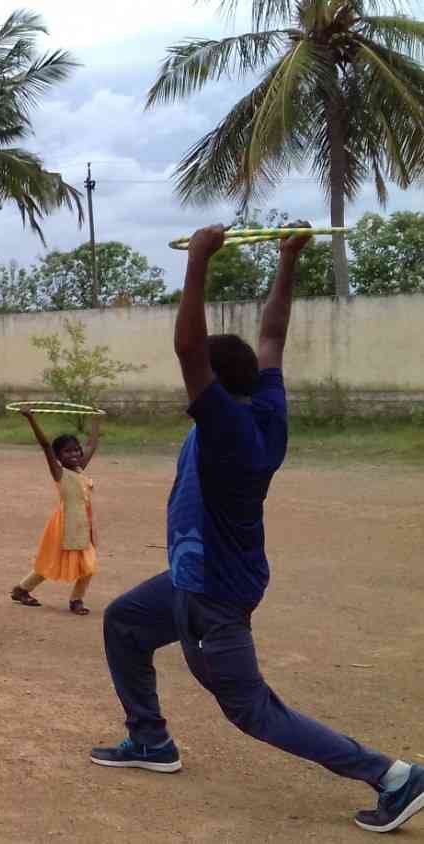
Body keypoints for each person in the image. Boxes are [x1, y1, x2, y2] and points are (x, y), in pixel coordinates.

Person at [91, 224, 424, 834]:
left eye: (198, 379)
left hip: (213, 593)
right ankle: (150, 741)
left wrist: (197, 264)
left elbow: (189, 350)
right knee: (125, 623)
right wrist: (287, 259)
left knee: (251, 710)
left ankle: (392, 776)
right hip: (199, 578)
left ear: (214, 385)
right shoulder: (265, 407)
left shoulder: (224, 428)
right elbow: (273, 334)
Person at [10, 410, 101, 615]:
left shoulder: (79, 468)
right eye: (67, 452)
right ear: (58, 456)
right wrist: (32, 419)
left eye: (76, 450)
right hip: (64, 526)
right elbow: (45, 446)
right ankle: (27, 590)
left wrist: (96, 419)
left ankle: (24, 590)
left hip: (81, 525)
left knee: (89, 565)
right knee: (55, 561)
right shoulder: (60, 473)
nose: (75, 454)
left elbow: (92, 446)